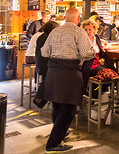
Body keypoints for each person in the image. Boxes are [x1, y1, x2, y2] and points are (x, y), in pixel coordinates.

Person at [41, 8, 95, 153]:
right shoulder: (79, 32)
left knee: (57, 105)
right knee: (68, 109)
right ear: (78, 19)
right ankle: (53, 143)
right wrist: (93, 50)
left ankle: (59, 135)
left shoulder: (55, 31)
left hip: (53, 73)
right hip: (69, 74)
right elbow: (86, 53)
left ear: (64, 17)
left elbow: (44, 52)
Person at [80, 19, 117, 95]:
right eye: (85, 29)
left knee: (115, 72)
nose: (88, 32)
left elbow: (100, 50)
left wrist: (103, 49)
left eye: (90, 29)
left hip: (98, 62)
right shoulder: (81, 39)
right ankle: (94, 92)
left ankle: (94, 91)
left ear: (94, 29)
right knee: (108, 74)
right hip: (88, 64)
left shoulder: (96, 37)